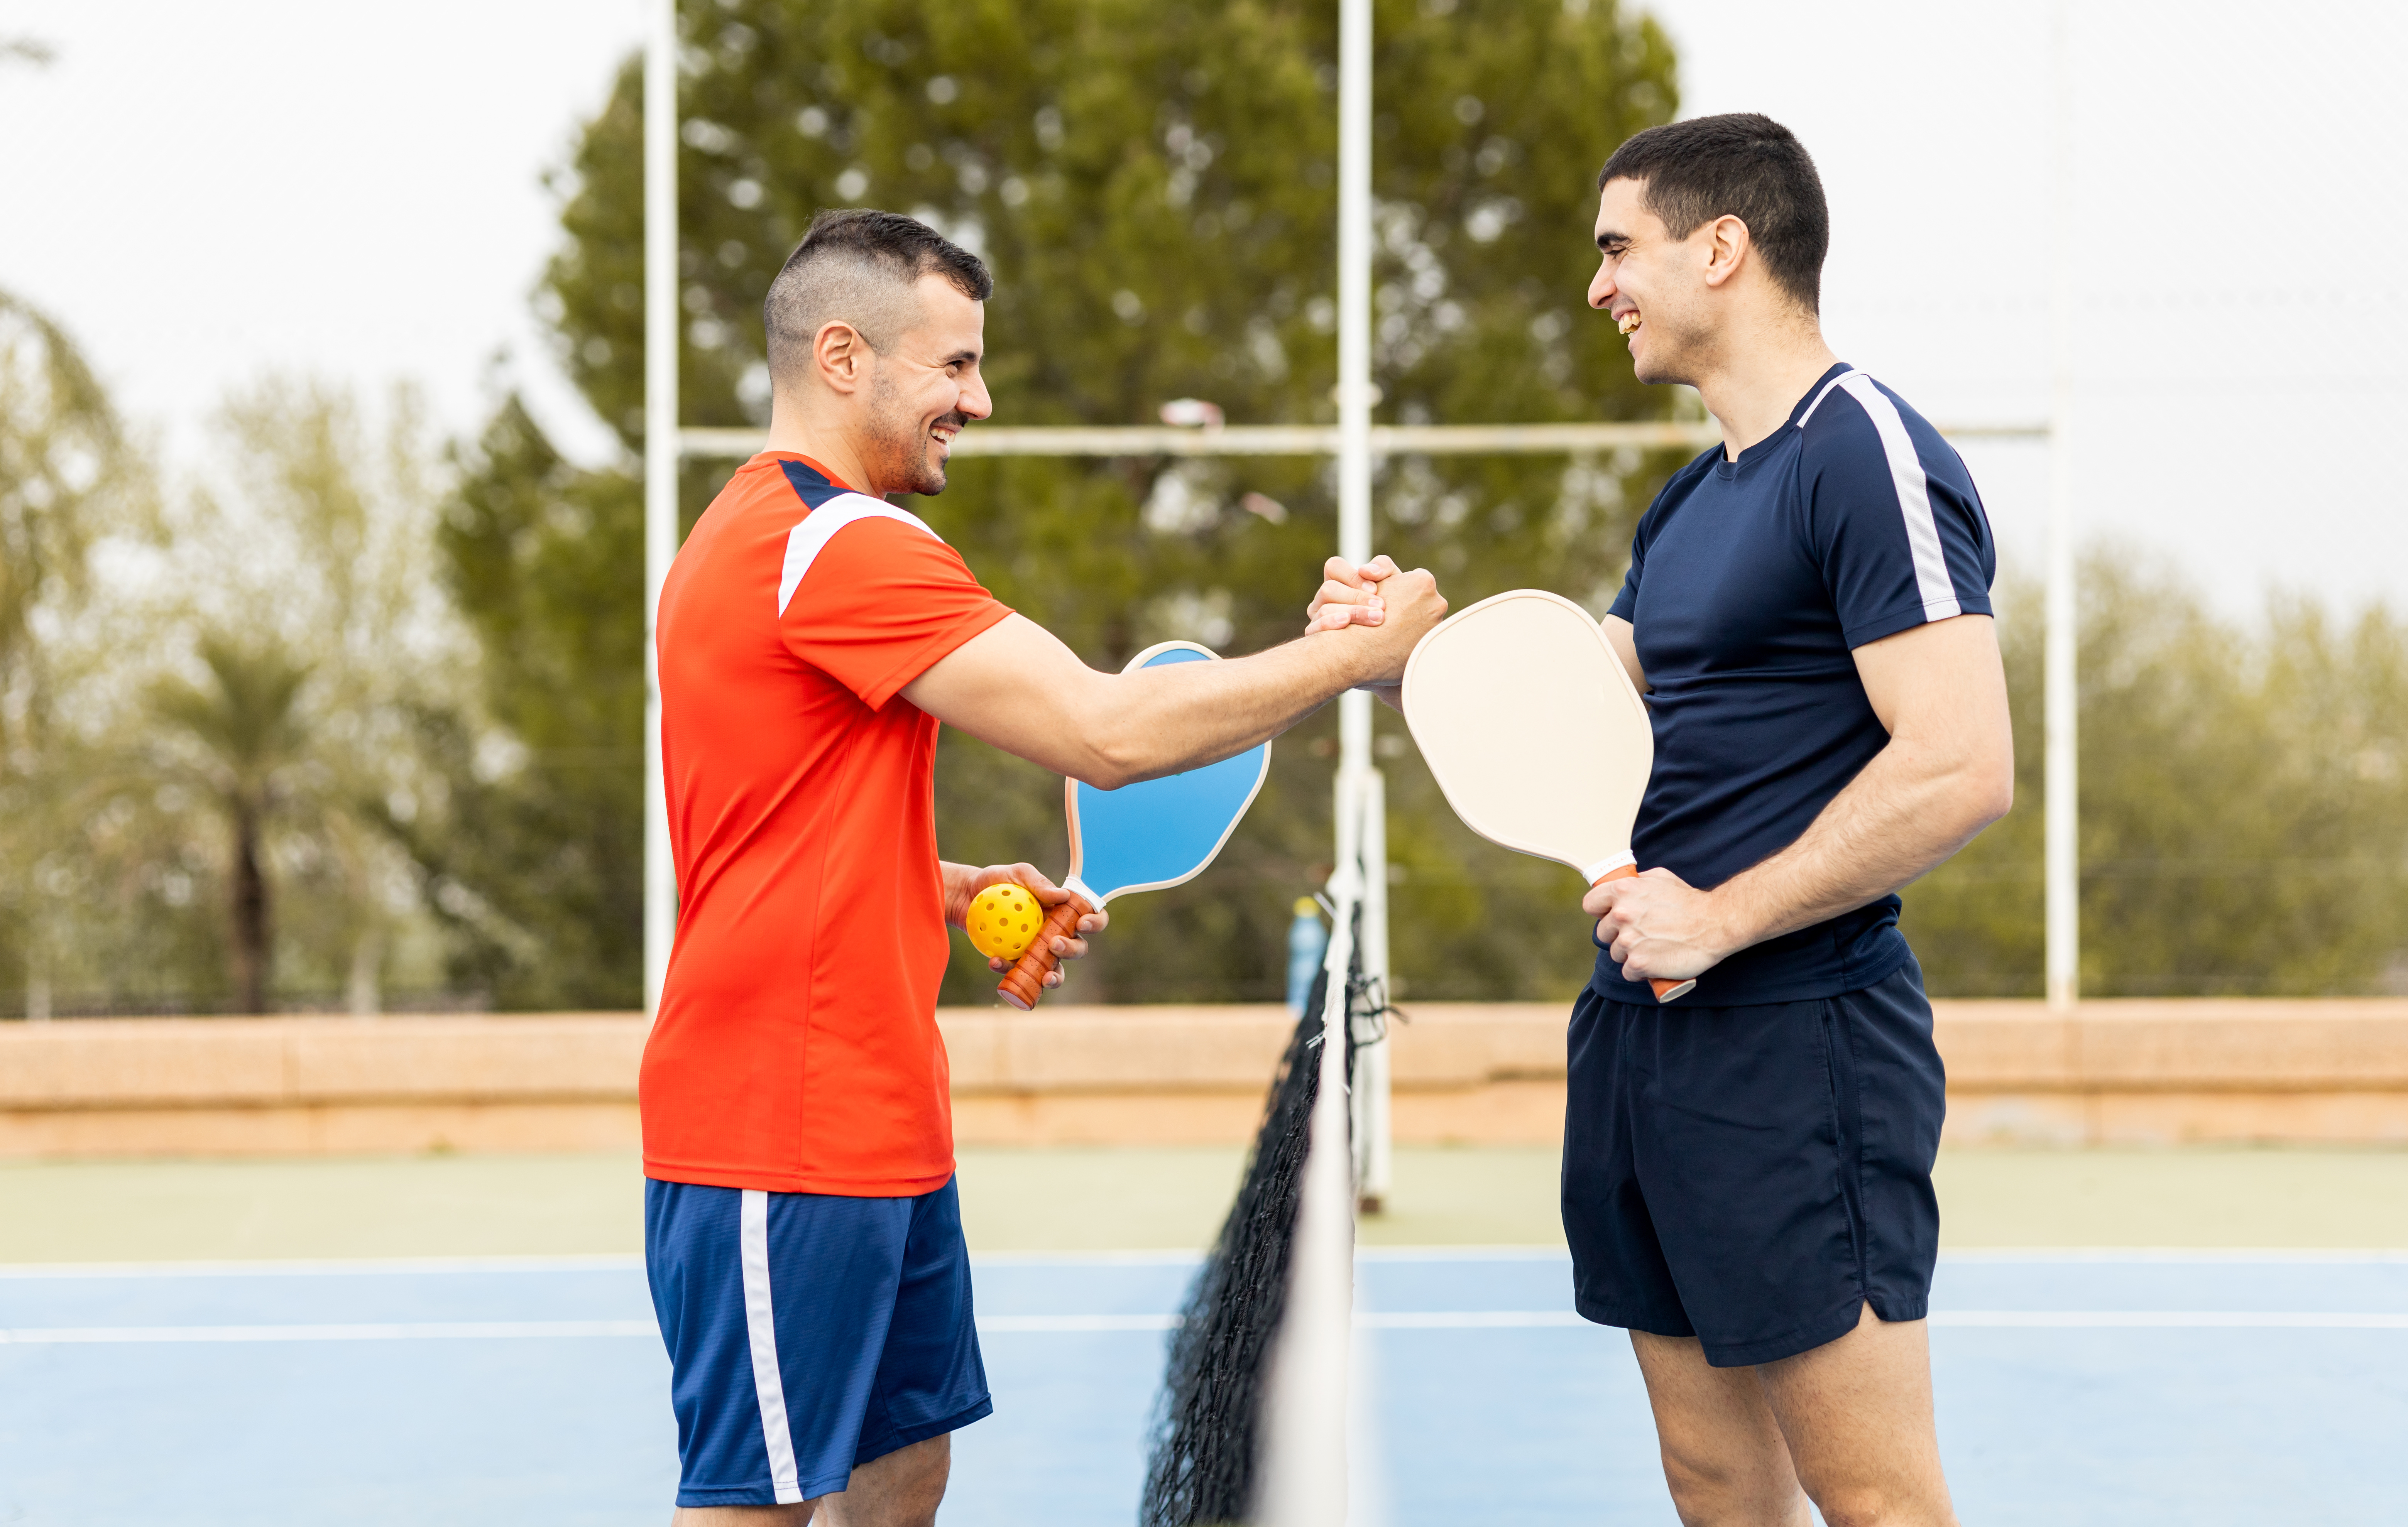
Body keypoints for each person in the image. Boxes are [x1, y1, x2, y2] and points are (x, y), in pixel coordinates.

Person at [641, 208, 1441, 1526]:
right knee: (758, 1510)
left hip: (880, 1118)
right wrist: (1352, 660)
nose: (982, 398)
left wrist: (936, 885)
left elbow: (768, 817)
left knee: (905, 1474)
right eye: (952, 366)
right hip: (777, 1129)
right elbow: (1108, 733)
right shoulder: (833, 545)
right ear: (844, 358)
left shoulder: (746, 540)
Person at [1312, 115, 2011, 1526]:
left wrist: (1724, 913)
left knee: (1875, 1498)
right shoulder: (1695, 496)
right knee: (1711, 1485)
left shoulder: (1863, 451)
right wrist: (1406, 657)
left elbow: (1961, 765)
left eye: (1617, 248)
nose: (1600, 285)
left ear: (1722, 247)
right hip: (1645, 1038)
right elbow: (1589, 693)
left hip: (1803, 1041)